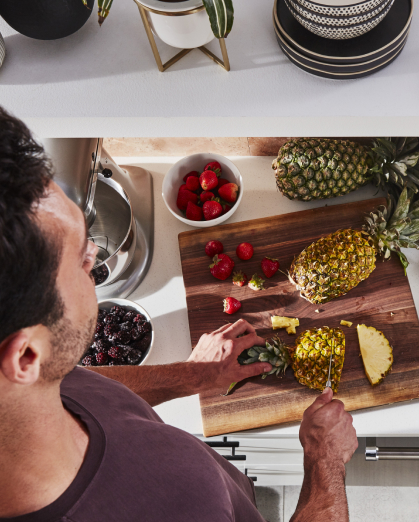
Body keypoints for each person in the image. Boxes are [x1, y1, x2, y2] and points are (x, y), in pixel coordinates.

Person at [0, 109, 358, 521]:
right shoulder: (178, 507)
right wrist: (324, 460)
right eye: (80, 260)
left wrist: (193, 375)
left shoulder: (33, 376)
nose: (94, 255)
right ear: (26, 356)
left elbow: (80, 383)